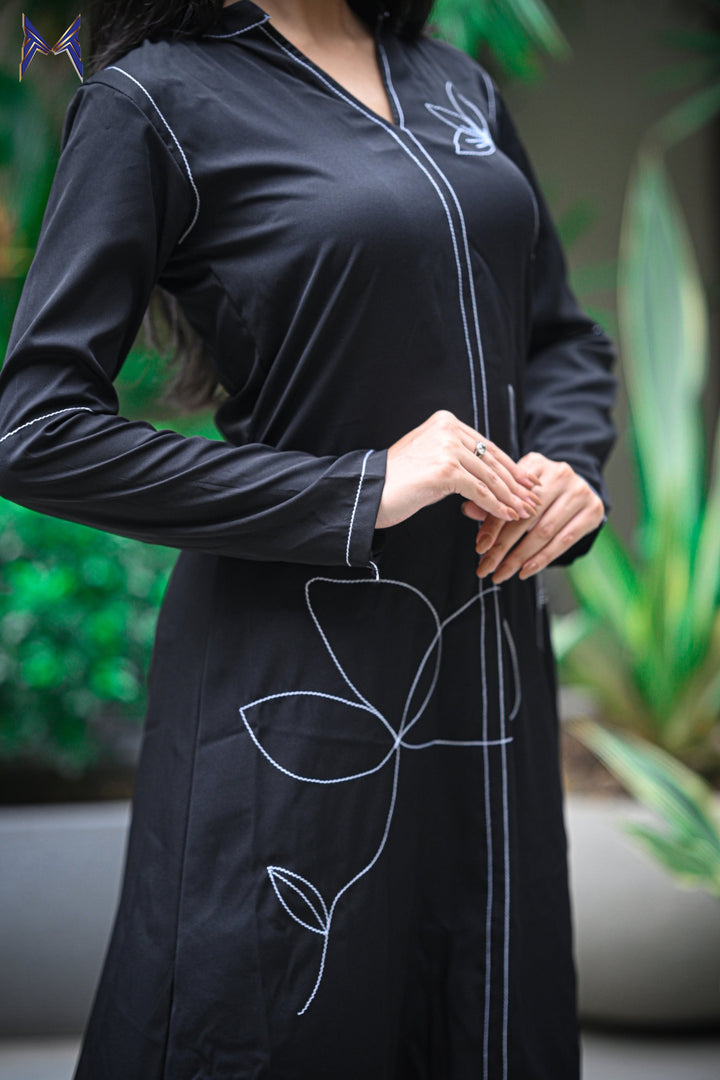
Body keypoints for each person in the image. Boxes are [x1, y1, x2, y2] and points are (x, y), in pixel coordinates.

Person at [0, 0, 617, 1076]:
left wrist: (570, 466)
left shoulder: (454, 80)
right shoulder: (155, 98)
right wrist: (359, 489)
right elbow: (35, 430)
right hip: (294, 690)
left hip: (484, 677)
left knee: (484, 1014)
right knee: (273, 1025)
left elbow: (559, 332)